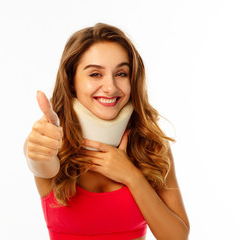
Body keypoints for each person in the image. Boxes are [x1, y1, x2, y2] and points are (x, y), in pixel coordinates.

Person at [24, 22, 190, 240]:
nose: (110, 87)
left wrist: (131, 176)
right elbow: (40, 162)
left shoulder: (151, 144)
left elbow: (177, 237)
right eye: (95, 74)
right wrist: (35, 148)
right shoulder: (52, 142)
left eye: (121, 73)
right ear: (72, 81)